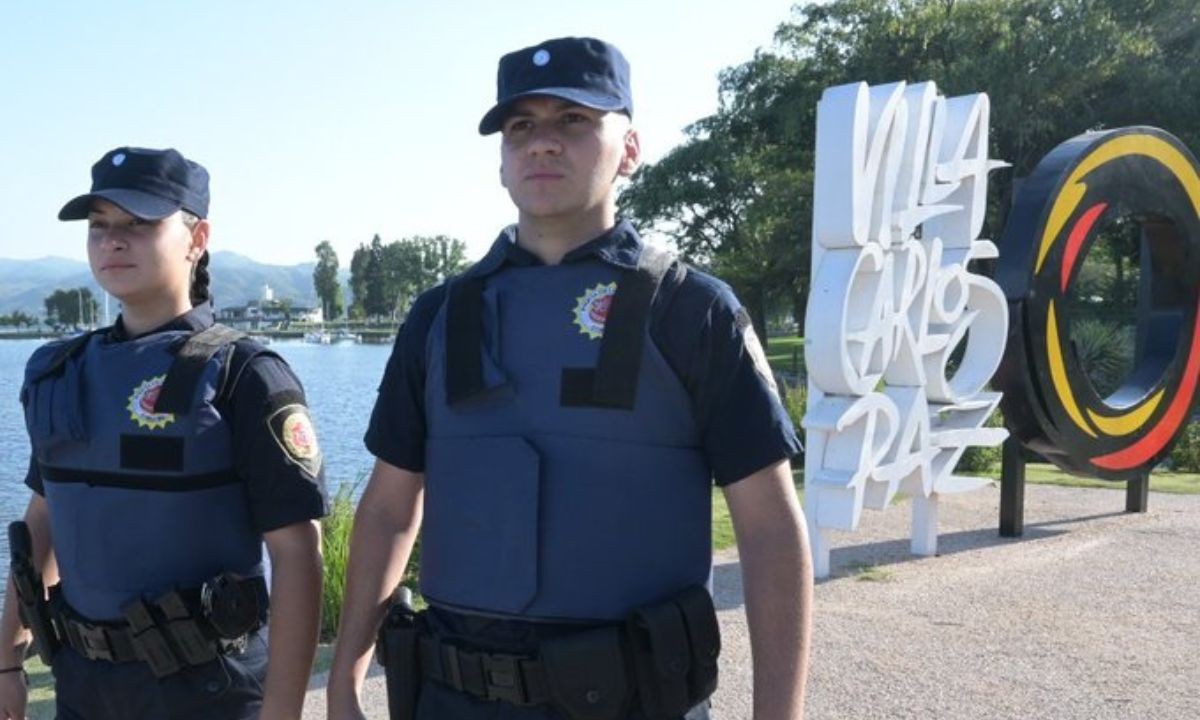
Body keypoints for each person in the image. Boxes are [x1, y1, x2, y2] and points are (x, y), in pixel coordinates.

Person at [328, 36, 813, 720]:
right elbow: (386, 510)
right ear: (501, 160)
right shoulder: (439, 317)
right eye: (521, 126)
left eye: (574, 121)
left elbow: (768, 529)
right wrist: (344, 679)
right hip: (451, 701)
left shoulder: (692, 310)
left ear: (631, 148)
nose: (543, 144)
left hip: (631, 702)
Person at [0, 147, 328, 720]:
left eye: (138, 223)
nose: (113, 241)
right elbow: (42, 523)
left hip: (210, 693)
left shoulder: (245, 375)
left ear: (197, 238)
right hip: (85, 686)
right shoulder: (59, 372)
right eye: (99, 226)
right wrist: (7, 661)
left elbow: (298, 556)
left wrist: (284, 714)